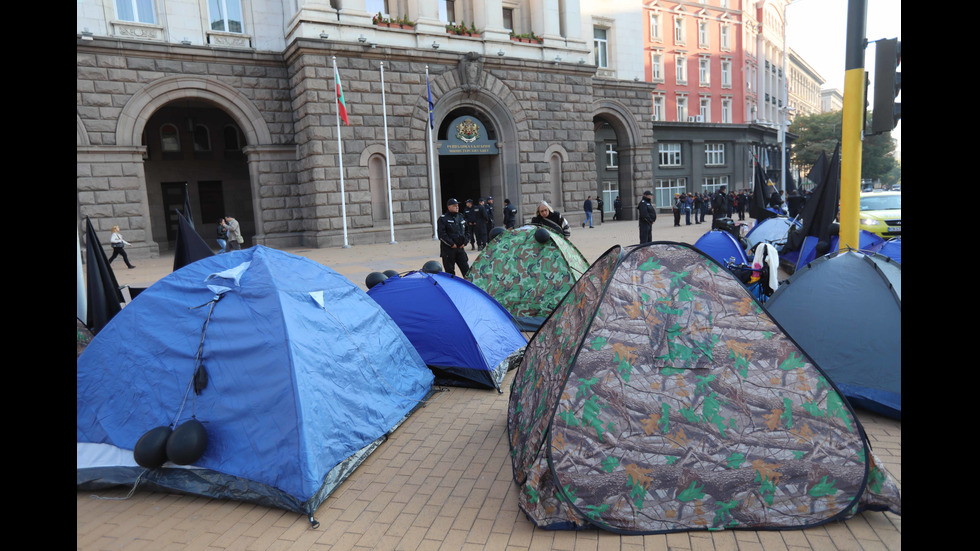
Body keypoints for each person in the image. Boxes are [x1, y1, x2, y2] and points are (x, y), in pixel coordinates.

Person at [437, 198, 471, 276]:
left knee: (466, 270)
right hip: (449, 250)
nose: (457, 207)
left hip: (460, 248)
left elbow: (467, 231)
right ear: (449, 207)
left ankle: (469, 287)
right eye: (454, 206)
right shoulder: (443, 219)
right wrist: (452, 244)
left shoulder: (461, 217)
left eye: (457, 205)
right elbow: (442, 235)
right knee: (450, 273)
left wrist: (465, 242)